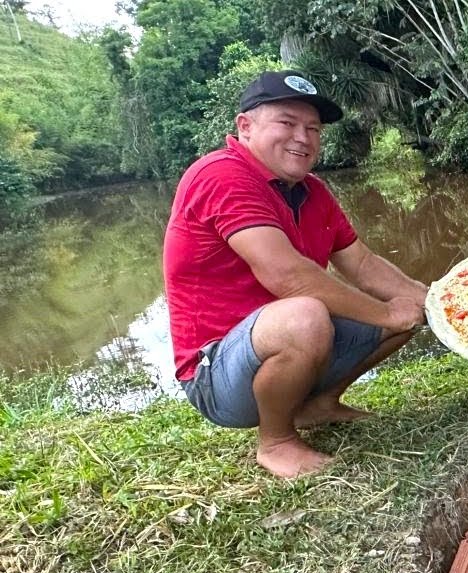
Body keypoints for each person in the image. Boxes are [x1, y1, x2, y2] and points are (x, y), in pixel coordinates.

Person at [163, 70, 428, 478]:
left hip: (287, 337)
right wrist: (387, 314)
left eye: (313, 128)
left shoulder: (312, 190)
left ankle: (317, 405)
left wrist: (437, 299)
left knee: (408, 306)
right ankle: (277, 441)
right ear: (245, 126)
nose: (302, 138)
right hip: (216, 374)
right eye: (287, 123)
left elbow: (363, 264)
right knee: (305, 315)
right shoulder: (220, 174)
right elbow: (288, 276)